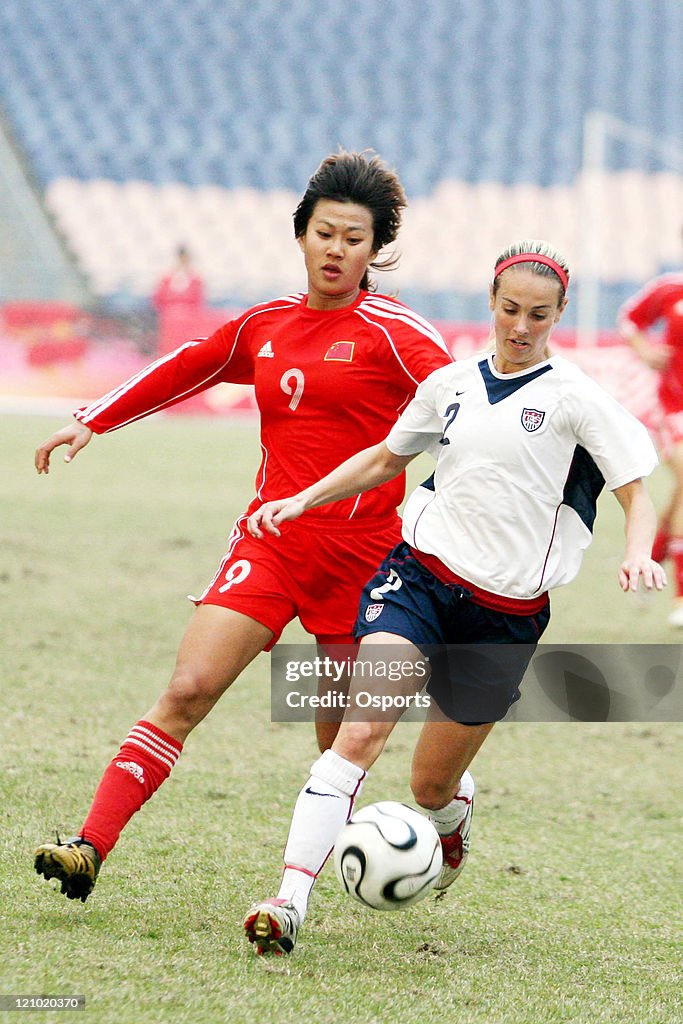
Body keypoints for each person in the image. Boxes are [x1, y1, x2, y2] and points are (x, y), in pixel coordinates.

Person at [32, 151, 453, 903]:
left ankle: (423, 821)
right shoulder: (266, 325)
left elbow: (461, 407)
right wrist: (92, 419)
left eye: (353, 238)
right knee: (189, 688)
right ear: (300, 235)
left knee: (337, 748)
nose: (335, 249)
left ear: (372, 250)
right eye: (324, 232)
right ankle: (88, 846)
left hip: (363, 564)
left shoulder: (396, 333)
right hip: (271, 544)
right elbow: (184, 366)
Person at [242, 239, 666, 956]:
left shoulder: (577, 399)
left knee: (430, 783)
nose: (520, 325)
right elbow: (386, 456)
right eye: (508, 309)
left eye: (537, 314)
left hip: (503, 619)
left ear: (559, 314)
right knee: (359, 732)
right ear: (491, 303)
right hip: (417, 581)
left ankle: (450, 821)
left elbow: (636, 493)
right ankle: (287, 901)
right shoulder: (450, 384)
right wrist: (303, 497)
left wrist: (635, 553)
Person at [618, 250, 683, 625]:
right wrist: (644, 349)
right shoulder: (669, 289)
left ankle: (653, 556)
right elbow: (629, 319)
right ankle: (680, 595)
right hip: (674, 407)